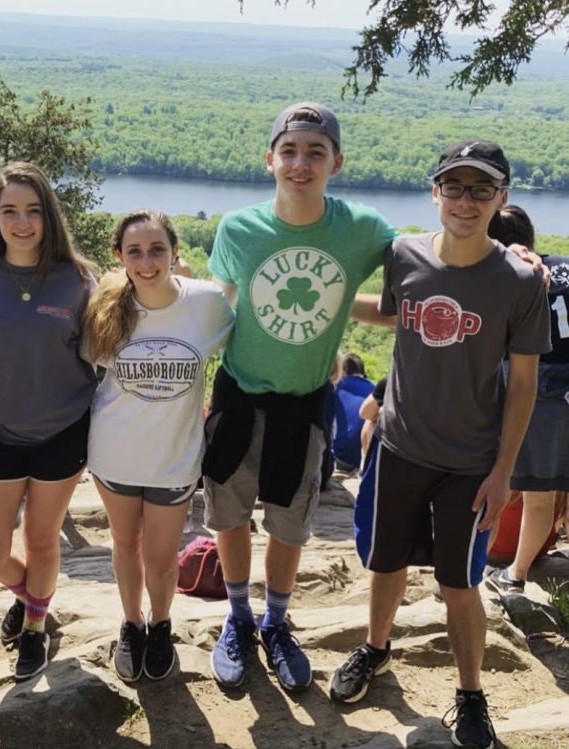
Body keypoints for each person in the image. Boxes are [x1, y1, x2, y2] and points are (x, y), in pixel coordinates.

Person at [330, 141, 550, 749]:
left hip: (471, 463)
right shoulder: (404, 254)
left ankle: (471, 694)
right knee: (385, 563)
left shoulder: (520, 280)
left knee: (460, 584)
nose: (466, 201)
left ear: (501, 199)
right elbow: (399, 312)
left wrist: (504, 471)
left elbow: (525, 382)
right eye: (454, 187)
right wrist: (335, 301)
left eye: (482, 189)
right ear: (435, 193)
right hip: (399, 447)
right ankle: (375, 651)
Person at [202, 102, 396, 691]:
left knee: (289, 525)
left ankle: (276, 622)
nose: (301, 163)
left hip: (304, 403)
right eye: (289, 151)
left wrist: (513, 256)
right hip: (238, 397)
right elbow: (219, 304)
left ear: (337, 161)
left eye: (315, 152)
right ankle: (237, 617)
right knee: (229, 518)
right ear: (270, 160)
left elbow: (419, 282)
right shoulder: (239, 228)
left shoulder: (362, 230)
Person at [83, 209, 233, 682]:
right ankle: (131, 624)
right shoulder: (105, 306)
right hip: (115, 453)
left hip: (175, 458)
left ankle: (162, 624)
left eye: (156, 250)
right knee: (125, 544)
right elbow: (85, 366)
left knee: (163, 557)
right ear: (119, 257)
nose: (147, 262)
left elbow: (245, 354)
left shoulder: (205, 304)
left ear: (173, 251)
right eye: (135, 252)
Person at [0, 161, 97, 680]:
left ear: (49, 217)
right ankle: (34, 595)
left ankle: (35, 628)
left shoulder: (78, 281)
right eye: (10, 211)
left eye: (33, 211)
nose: (22, 223)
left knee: (42, 541)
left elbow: (110, 347)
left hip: (62, 432)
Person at [483, 205, 569, 593]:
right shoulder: (564, 265)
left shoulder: (505, 276)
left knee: (500, 485)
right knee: (543, 494)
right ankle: (516, 572)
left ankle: (503, 574)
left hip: (535, 395)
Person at [332, 353, 375, 473]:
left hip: (338, 456)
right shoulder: (375, 390)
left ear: (342, 370)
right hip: (361, 459)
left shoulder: (335, 387)